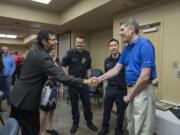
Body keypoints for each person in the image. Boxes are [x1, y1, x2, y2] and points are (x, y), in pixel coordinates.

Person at [9, 30, 96, 135]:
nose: (56, 42)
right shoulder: (42, 56)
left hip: (16, 95)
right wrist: (86, 81)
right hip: (26, 100)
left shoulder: (34, 50)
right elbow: (61, 76)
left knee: (13, 128)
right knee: (31, 130)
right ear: (44, 42)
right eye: (53, 40)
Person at [93, 19, 156, 135]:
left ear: (131, 30)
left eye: (122, 29)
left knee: (142, 127)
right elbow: (116, 69)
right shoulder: (127, 49)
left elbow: (144, 77)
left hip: (143, 89)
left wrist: (129, 96)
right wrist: (99, 79)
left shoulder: (145, 45)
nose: (119, 33)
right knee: (132, 124)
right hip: (131, 89)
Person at [62, 36, 97, 134]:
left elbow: (89, 67)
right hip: (73, 82)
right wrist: (68, 76)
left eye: (81, 42)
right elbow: (63, 65)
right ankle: (75, 123)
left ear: (84, 43)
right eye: (78, 42)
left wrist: (89, 78)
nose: (79, 44)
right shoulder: (70, 53)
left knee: (87, 103)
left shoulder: (87, 54)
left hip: (84, 82)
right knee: (74, 104)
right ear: (75, 43)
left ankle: (89, 122)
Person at [97, 39, 127, 135]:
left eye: (115, 45)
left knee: (120, 113)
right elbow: (107, 74)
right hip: (110, 89)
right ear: (109, 48)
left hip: (121, 90)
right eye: (111, 45)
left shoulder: (124, 59)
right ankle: (104, 128)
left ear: (118, 46)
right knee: (106, 111)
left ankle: (118, 131)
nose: (113, 47)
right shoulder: (107, 60)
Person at [40, 51, 63, 135]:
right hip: (45, 88)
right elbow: (43, 74)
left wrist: (61, 87)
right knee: (44, 110)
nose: (53, 52)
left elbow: (60, 74)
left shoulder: (57, 61)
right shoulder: (44, 60)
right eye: (50, 51)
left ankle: (50, 128)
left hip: (54, 87)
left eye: (54, 50)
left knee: (52, 108)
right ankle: (42, 132)